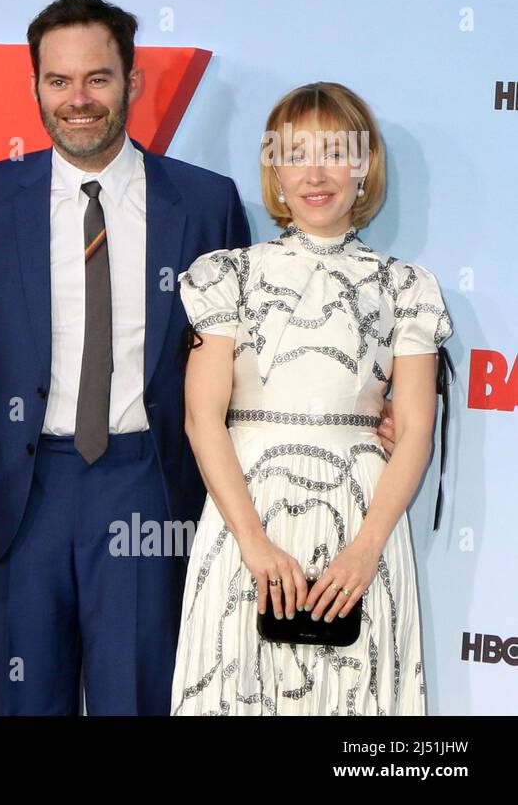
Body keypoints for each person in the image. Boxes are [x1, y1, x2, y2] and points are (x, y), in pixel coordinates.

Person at [0, 0, 257, 714]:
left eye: (98, 78)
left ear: (132, 82)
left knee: (138, 700)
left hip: (147, 484)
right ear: (34, 87)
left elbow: (249, 356)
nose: (78, 100)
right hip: (25, 494)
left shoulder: (206, 203)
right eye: (58, 81)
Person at [171, 82, 451, 715]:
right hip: (246, 517)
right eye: (296, 154)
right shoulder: (228, 276)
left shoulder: (408, 288)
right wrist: (254, 544)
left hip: (362, 523)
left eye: (335, 151)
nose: (316, 173)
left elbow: (413, 432)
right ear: (275, 168)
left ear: (365, 166)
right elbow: (201, 420)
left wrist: (365, 551)